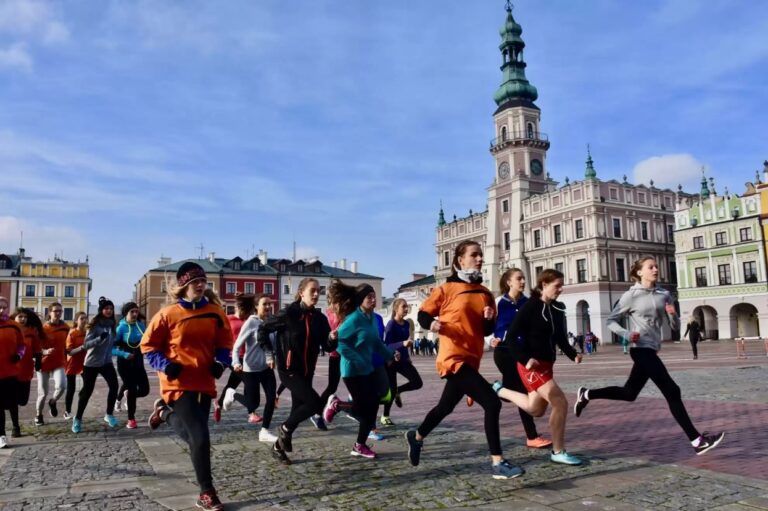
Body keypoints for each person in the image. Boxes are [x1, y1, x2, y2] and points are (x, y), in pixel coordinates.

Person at [573, 256, 724, 455]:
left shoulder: (664, 294)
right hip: (640, 349)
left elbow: (675, 327)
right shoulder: (631, 296)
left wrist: (672, 314)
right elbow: (611, 320)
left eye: (656, 266)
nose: (655, 269)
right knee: (672, 390)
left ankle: (587, 394)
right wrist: (627, 334)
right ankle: (697, 441)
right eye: (650, 267)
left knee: (629, 393)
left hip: (652, 349)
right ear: (639, 272)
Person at [404, 241, 524, 479]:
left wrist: (489, 319)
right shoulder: (446, 289)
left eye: (481, 255)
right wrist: (433, 324)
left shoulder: (485, 293)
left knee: (445, 407)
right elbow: (422, 314)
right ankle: (498, 462)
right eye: (474, 255)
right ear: (460, 260)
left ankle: (416, 437)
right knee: (492, 403)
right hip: (453, 358)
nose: (479, 259)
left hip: (472, 358)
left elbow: (487, 330)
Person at [142, 262, 233, 511]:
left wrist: (220, 362)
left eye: (203, 281)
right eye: (195, 282)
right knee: (201, 437)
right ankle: (207, 492)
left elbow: (225, 344)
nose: (201, 285)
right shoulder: (168, 314)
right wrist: (165, 364)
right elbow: (148, 346)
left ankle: (164, 414)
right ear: (184, 286)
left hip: (204, 382)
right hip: (177, 383)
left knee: (196, 437)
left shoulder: (216, 312)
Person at [492, 269, 584, 465]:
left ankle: (500, 390)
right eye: (556, 285)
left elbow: (559, 336)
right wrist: (525, 359)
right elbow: (511, 338)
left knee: (536, 409)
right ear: (544, 285)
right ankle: (558, 451)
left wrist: (572, 353)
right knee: (560, 402)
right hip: (531, 367)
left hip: (547, 364)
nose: (561, 289)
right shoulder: (530, 306)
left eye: (561, 285)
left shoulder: (557, 308)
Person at [257, 277, 333, 466]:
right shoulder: (289, 313)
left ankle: (278, 447)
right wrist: (269, 353)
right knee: (315, 404)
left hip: (308, 371)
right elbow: (263, 329)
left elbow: (328, 346)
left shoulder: (320, 319)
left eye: (319, 291)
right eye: (313, 291)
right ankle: (284, 429)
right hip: (288, 370)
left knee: (297, 411)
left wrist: (332, 338)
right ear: (301, 293)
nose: (317, 294)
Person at [322, 282, 397, 458]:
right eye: (369, 297)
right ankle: (337, 405)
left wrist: (389, 356)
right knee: (366, 409)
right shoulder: (354, 319)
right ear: (360, 300)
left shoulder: (371, 318)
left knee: (370, 409)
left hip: (367, 368)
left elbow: (376, 342)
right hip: (352, 371)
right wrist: (357, 360)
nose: (373, 299)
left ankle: (359, 445)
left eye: (374, 296)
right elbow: (339, 343)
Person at [490, 268, 552, 449]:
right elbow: (487, 327)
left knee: (515, 393)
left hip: (524, 353)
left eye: (524, 278)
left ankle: (490, 389)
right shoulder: (498, 303)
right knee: (522, 392)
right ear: (509, 282)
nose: (523, 281)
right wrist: (490, 339)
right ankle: (531, 436)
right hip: (504, 352)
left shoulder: (530, 303)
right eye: (519, 278)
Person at [224, 294, 279, 443]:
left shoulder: (271, 322)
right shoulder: (250, 322)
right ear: (256, 307)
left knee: (271, 398)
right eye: (264, 304)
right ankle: (232, 394)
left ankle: (264, 431)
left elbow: (273, 345)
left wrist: (273, 357)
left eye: (269, 304)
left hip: (266, 368)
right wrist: (236, 362)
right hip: (251, 368)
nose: (268, 307)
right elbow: (236, 346)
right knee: (253, 403)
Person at [71, 297, 121, 433]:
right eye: (106, 309)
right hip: (92, 363)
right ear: (101, 310)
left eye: (111, 309)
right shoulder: (94, 325)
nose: (109, 311)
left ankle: (109, 414)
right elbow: (86, 345)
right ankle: (77, 419)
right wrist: (99, 339)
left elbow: (111, 343)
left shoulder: (112, 324)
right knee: (87, 392)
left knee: (114, 386)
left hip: (106, 362)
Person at [380, 298, 422, 427]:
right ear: (395, 309)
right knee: (391, 390)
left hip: (403, 360)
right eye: (403, 306)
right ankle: (385, 416)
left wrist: (407, 354)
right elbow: (386, 345)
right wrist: (401, 344)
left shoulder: (406, 324)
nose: (406, 309)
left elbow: (406, 342)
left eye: (407, 306)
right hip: (391, 360)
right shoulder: (391, 325)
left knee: (417, 382)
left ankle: (399, 390)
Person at [215, 294, 255, 423]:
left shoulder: (249, 321)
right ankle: (251, 412)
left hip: (244, 357)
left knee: (232, 383)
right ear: (238, 307)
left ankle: (219, 404)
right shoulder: (227, 319)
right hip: (230, 356)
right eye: (245, 310)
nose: (247, 313)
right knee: (248, 382)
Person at [114, 302, 150, 429]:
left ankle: (128, 394)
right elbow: (111, 348)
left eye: (136, 311)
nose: (135, 314)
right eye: (132, 312)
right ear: (126, 313)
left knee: (145, 390)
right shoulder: (120, 328)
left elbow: (147, 342)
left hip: (138, 362)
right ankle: (131, 419)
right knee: (133, 388)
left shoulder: (141, 325)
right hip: (124, 363)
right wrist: (123, 354)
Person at [10, 308, 43, 437]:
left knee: (23, 401)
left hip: (26, 369)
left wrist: (39, 360)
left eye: (25, 317)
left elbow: (37, 348)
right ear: (14, 318)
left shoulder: (31, 331)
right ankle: (15, 427)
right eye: (20, 317)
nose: (23, 319)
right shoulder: (10, 330)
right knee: (12, 400)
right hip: (11, 370)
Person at [37, 302, 69, 426]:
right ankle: (38, 415)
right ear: (49, 313)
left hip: (58, 362)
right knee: (43, 393)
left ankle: (53, 401)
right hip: (43, 363)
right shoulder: (43, 329)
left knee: (62, 385)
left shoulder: (66, 327)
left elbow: (69, 344)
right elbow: (37, 348)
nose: (58, 313)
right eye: (55, 311)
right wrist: (45, 351)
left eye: (60, 311)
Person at [0, 296, 25, 448]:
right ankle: (2, 435)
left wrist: (18, 355)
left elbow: (22, 345)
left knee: (12, 402)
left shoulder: (14, 326)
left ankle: (16, 425)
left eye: (4, 307)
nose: (2, 310)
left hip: (10, 372)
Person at [64, 312, 87, 419]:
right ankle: (67, 411)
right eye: (81, 318)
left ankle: (81, 403)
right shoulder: (72, 333)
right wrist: (82, 348)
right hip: (72, 363)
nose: (84, 320)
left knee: (88, 386)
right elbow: (69, 352)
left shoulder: (88, 333)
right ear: (76, 321)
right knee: (71, 388)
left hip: (85, 363)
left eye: (85, 318)